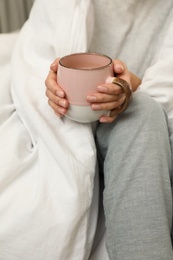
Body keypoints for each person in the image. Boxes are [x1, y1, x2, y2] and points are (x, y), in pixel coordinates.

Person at [45, 1, 173, 259]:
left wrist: (130, 87)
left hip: (133, 117)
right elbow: (35, 59)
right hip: (73, 121)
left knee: (141, 113)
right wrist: (49, 85)